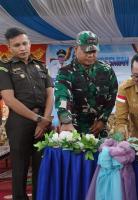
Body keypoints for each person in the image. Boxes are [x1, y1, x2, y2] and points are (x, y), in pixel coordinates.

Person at [0, 27, 53, 200]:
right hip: (19, 122)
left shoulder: (40, 66)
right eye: (17, 45)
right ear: (10, 48)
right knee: (20, 168)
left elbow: (50, 94)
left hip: (43, 122)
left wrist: (44, 120)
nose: (22, 48)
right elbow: (9, 99)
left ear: (30, 44)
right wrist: (39, 119)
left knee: (42, 166)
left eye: (24, 43)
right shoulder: (4, 68)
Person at [55, 31, 118, 137]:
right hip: (73, 129)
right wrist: (66, 121)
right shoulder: (65, 72)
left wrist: (103, 120)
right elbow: (62, 97)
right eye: (86, 52)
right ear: (76, 49)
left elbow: (112, 97)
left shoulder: (106, 70)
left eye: (94, 51)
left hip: (98, 129)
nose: (91, 55)